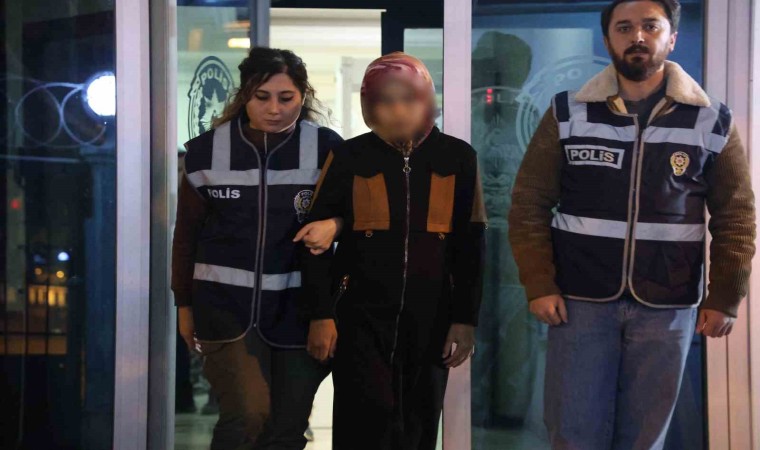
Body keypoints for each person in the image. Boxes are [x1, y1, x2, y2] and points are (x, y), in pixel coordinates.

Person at [509, 1, 756, 449]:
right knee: (572, 432)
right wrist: (539, 283)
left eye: (650, 27)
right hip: (579, 301)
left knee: (644, 439)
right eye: (624, 28)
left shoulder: (712, 119)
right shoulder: (568, 112)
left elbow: (735, 216)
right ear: (608, 40)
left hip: (668, 302)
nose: (637, 37)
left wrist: (726, 295)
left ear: (671, 38)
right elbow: (529, 204)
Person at [299, 52, 487, 450]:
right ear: (369, 105)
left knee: (418, 425)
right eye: (385, 101)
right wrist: (320, 314)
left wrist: (465, 319)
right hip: (359, 320)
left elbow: (471, 245)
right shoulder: (349, 157)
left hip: (432, 318)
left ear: (427, 99)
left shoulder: (458, 158)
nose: (398, 111)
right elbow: (314, 242)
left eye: (409, 99)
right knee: (363, 423)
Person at [171, 47, 343, 450]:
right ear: (244, 95)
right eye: (261, 97)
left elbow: (357, 213)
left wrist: (337, 224)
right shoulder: (205, 152)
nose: (274, 109)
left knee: (286, 430)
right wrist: (184, 305)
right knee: (247, 416)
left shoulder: (326, 148)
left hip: (300, 311)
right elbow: (186, 236)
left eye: (287, 97)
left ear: (304, 95)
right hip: (224, 310)